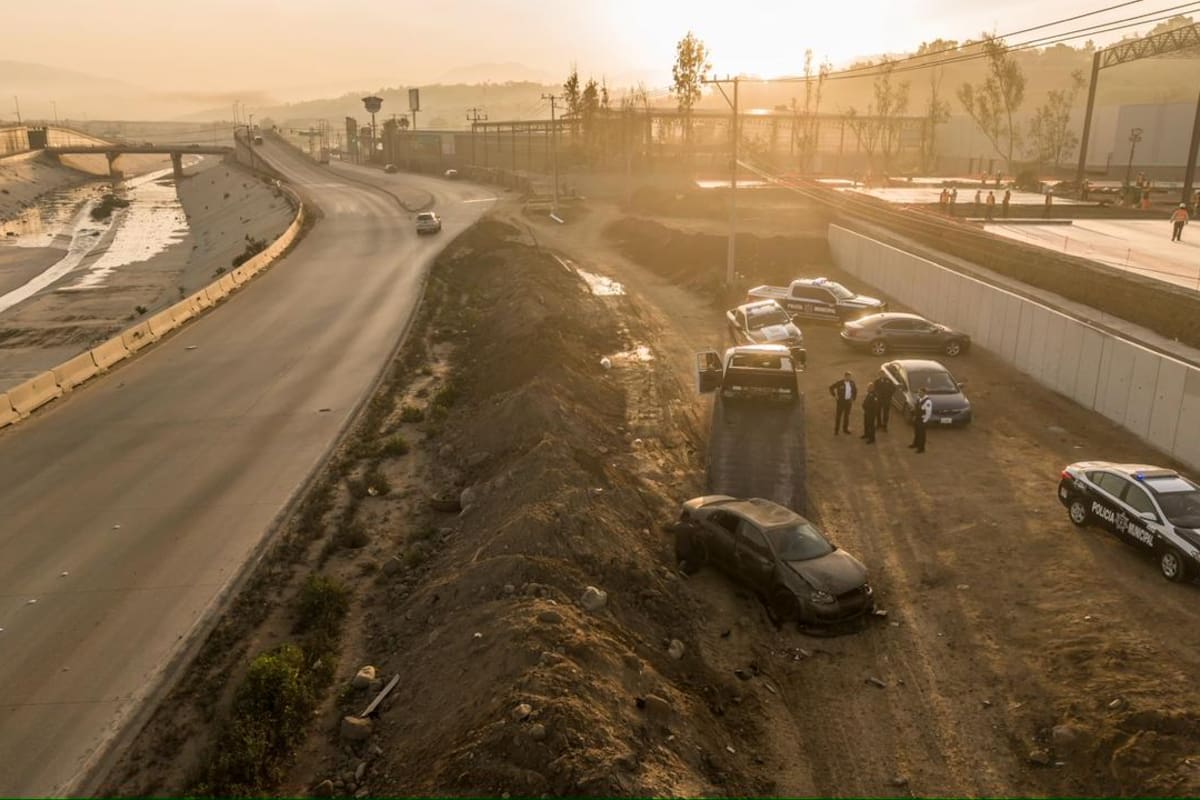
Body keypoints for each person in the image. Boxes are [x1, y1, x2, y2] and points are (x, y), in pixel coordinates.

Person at [828, 371, 857, 435]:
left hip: (848, 402)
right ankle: (836, 430)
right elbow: (831, 387)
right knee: (838, 416)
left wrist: (853, 398)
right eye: (847, 377)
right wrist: (835, 395)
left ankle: (845, 429)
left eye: (849, 377)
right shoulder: (840, 382)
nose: (848, 378)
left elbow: (855, 391)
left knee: (846, 416)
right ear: (845, 376)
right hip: (841, 402)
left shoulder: (852, 383)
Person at [907, 388, 933, 454]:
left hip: (922, 420)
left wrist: (924, 421)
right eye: (919, 392)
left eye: (920, 392)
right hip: (917, 419)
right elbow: (917, 408)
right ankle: (915, 444)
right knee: (917, 433)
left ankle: (921, 448)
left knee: (922, 435)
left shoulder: (927, 402)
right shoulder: (919, 399)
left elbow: (928, 413)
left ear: (924, 393)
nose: (919, 394)